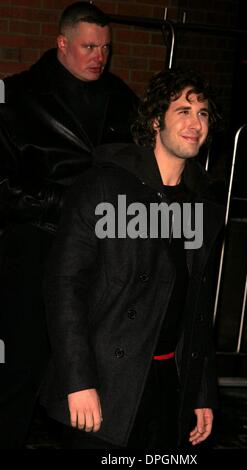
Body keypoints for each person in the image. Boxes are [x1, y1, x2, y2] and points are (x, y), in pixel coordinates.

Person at [41, 67, 224, 450]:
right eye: (183, 111)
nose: (195, 123)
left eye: (203, 113)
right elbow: (64, 286)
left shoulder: (201, 203)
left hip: (169, 383)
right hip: (106, 380)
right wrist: (78, 381)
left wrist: (201, 389)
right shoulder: (106, 186)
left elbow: (197, 305)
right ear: (156, 120)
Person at [0, 1, 138, 449]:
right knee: (22, 368)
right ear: (62, 43)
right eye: (88, 46)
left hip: (101, 255)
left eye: (105, 47)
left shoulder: (122, 99)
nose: (99, 55)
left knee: (93, 370)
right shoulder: (17, 96)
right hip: (37, 250)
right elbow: (3, 186)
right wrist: (69, 208)